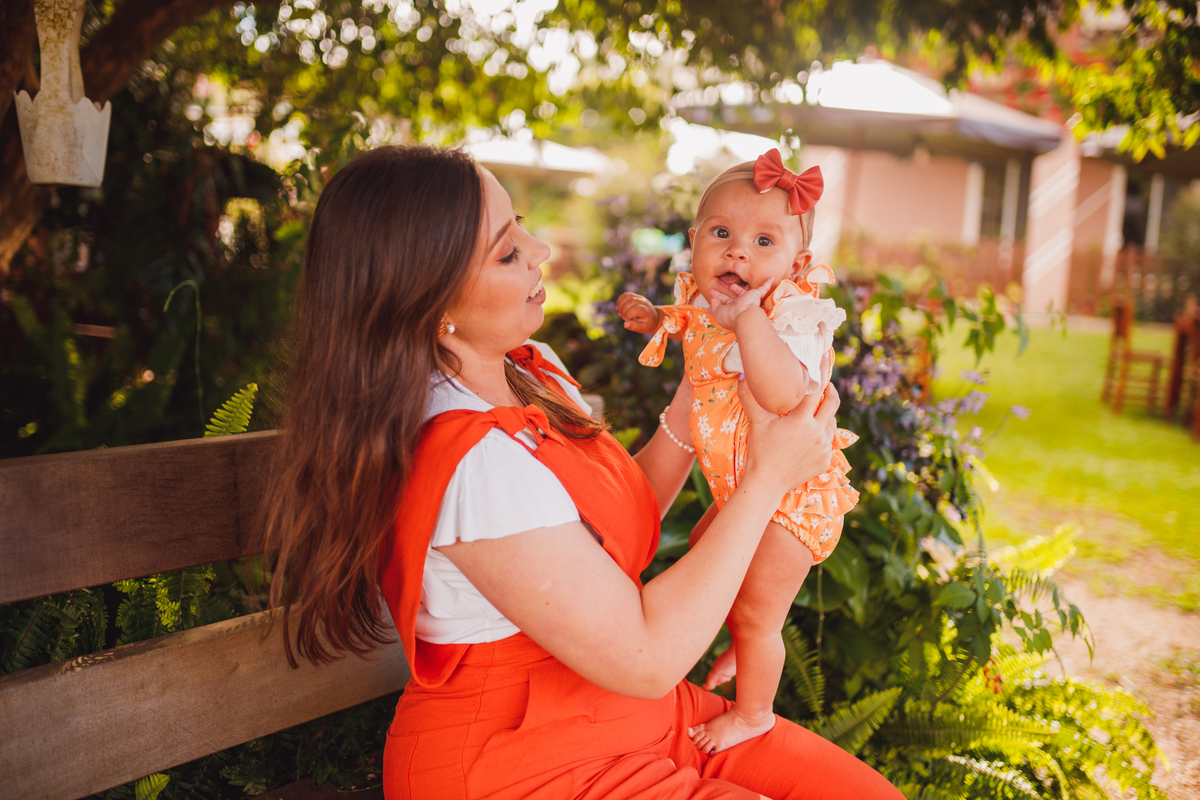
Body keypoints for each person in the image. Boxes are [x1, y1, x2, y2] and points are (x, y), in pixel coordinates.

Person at [259, 144, 902, 799]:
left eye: (520, 227)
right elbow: (646, 657)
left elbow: (611, 523)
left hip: (633, 713)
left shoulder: (526, 371)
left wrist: (703, 384)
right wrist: (768, 478)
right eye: (507, 252)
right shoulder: (468, 459)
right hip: (523, 761)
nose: (540, 250)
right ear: (429, 303)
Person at [616, 149, 858, 754]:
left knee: (758, 615)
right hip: (749, 486)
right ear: (694, 242)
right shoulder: (712, 300)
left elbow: (784, 396)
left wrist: (749, 320)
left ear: (796, 264)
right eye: (721, 234)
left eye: (763, 242)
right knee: (707, 555)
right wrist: (655, 318)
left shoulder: (792, 315)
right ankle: (744, 639)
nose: (737, 254)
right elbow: (691, 321)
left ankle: (754, 714)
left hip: (794, 496)